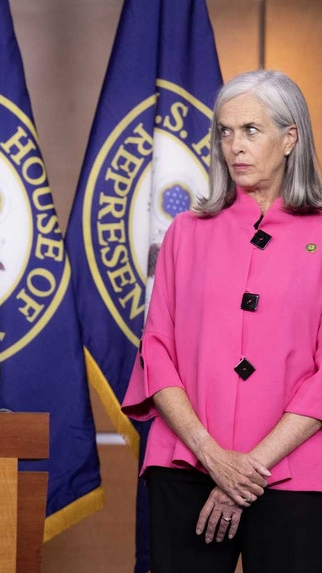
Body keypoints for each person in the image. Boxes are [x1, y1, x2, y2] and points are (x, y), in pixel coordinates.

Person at [122, 70, 322, 572]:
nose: (235, 146)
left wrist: (246, 471)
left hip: (295, 471)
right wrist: (212, 456)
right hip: (187, 463)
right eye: (225, 132)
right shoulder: (185, 232)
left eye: (251, 130)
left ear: (290, 138)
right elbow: (157, 351)